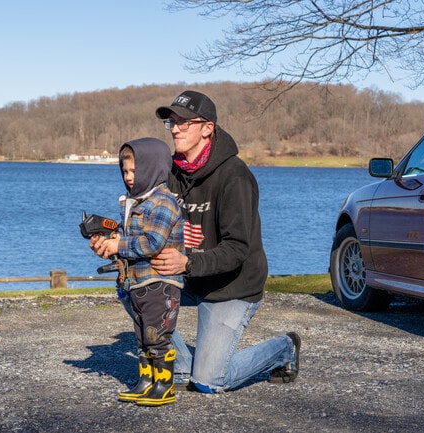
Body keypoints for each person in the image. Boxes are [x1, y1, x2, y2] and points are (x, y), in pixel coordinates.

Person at [147, 90, 301, 393]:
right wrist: (115, 243)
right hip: (191, 278)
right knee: (133, 288)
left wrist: (186, 261)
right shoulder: (171, 173)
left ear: (208, 128)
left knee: (208, 381)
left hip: (232, 285)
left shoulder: (235, 177)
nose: (175, 129)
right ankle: (177, 366)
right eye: (172, 123)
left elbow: (238, 249)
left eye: (184, 123)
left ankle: (284, 348)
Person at [93, 137, 185, 406]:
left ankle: (164, 386)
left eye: (135, 171)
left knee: (158, 337)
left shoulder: (163, 202)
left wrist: (118, 244)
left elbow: (151, 243)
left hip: (160, 282)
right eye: (125, 171)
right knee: (142, 336)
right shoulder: (133, 202)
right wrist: (107, 243)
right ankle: (146, 382)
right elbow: (124, 239)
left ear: (152, 168)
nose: (129, 177)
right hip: (136, 282)